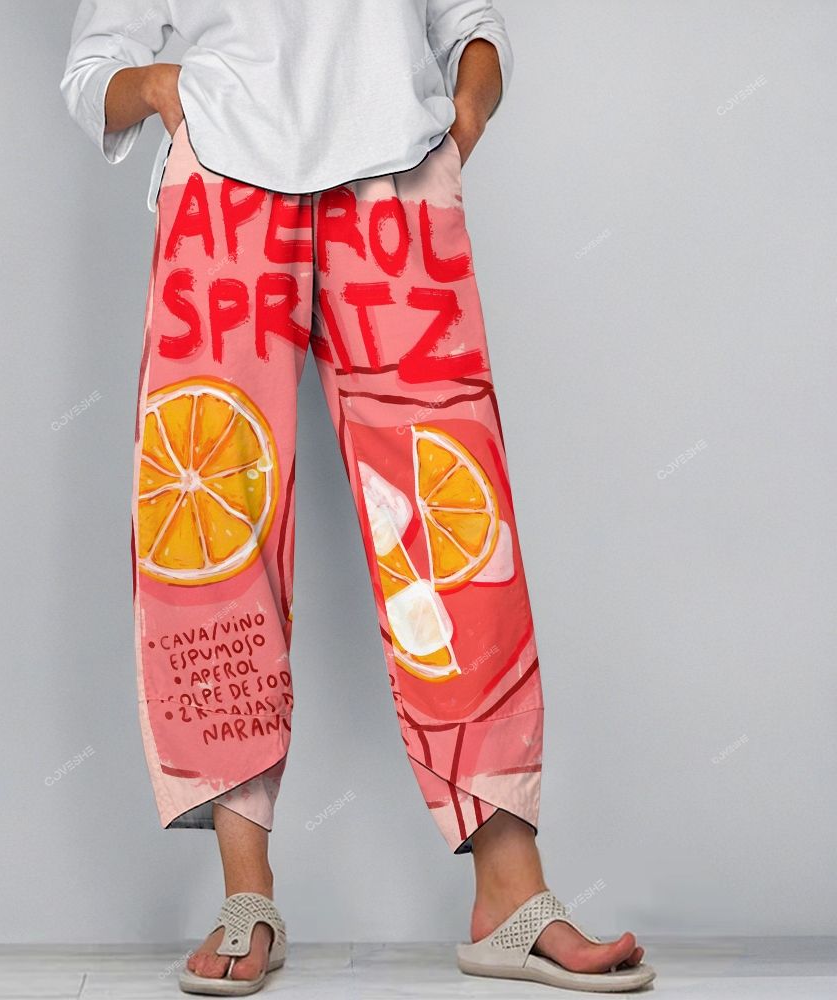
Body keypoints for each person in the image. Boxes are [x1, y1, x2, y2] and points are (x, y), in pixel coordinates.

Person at [61, 2, 655, 994]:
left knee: (455, 530)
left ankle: (509, 892)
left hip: (398, 183)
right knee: (213, 528)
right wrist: (165, 88)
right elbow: (94, 69)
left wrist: (463, 115)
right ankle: (246, 894)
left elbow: (470, 20)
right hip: (225, 190)